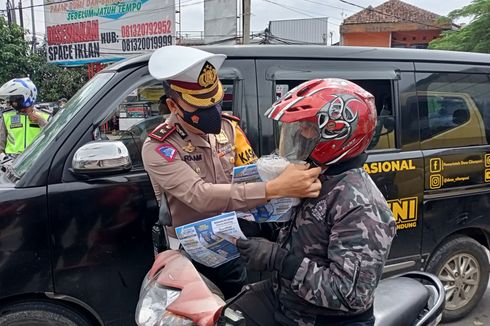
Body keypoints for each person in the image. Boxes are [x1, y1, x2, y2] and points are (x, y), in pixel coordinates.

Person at [141, 46, 322, 299]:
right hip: (189, 251)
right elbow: (200, 196)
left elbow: (252, 169)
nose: (212, 111)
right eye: (200, 106)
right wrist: (275, 189)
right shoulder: (160, 146)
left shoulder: (227, 128)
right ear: (173, 105)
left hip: (231, 240)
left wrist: (284, 174)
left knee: (235, 305)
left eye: (215, 101)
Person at [233, 78, 397, 326]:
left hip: (323, 318)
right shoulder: (318, 177)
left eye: (308, 126)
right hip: (287, 299)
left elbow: (349, 294)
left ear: (338, 134)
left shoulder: (360, 205)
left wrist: (278, 259)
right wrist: (259, 228)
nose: (300, 132)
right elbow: (307, 236)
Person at [0, 78, 50, 156]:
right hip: (10, 163)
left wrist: (41, 121)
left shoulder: (45, 116)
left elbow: (52, 138)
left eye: (15, 99)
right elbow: (1, 142)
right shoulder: (7, 116)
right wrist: (2, 158)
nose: (13, 102)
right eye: (11, 99)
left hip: (35, 160)